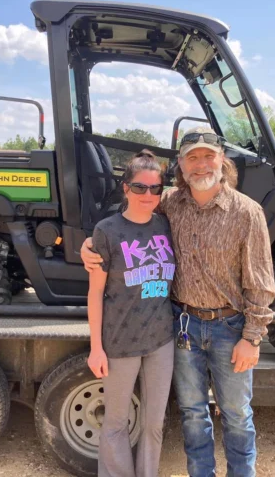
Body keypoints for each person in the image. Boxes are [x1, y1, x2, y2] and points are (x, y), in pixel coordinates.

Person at [82, 127, 275, 477]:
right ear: (182, 168)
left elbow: (261, 281)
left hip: (230, 329)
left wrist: (252, 337)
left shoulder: (247, 212)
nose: (201, 165)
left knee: (236, 413)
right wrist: (90, 246)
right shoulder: (170, 203)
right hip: (183, 325)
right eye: (192, 158)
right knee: (192, 413)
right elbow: (128, 222)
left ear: (222, 161)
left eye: (208, 156)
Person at [87, 150, 176, 477]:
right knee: (115, 422)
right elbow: (95, 292)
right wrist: (96, 347)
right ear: (125, 188)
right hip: (120, 341)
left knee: (154, 424)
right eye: (140, 188)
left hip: (161, 341)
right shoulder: (107, 230)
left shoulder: (166, 225)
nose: (148, 195)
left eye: (155, 189)